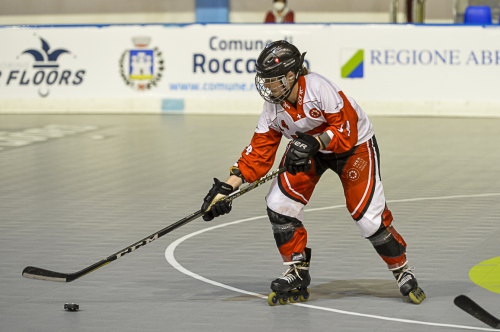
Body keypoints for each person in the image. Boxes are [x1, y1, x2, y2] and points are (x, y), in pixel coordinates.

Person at [201, 40, 426, 306]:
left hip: (353, 147)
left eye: (272, 80)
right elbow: (258, 153)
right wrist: (227, 188)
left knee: (367, 217)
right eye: (264, 80)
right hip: (309, 149)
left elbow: (347, 129)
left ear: (291, 75)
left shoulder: (320, 88)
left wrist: (315, 142)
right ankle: (296, 269)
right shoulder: (272, 108)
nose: (267, 86)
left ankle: (401, 269)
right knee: (278, 204)